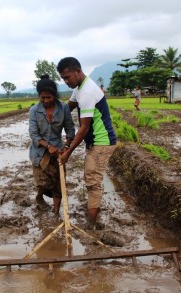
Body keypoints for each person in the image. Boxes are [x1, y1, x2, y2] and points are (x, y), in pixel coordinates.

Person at [56, 57, 117, 230]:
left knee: (92, 181)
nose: (66, 82)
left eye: (68, 77)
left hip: (101, 142)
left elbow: (83, 129)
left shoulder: (88, 92)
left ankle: (92, 224)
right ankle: (94, 212)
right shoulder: (79, 88)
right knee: (91, 178)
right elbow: (68, 109)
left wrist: (67, 152)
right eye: (63, 79)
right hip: (95, 141)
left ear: (78, 71)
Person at [29, 74, 75, 215]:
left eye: (49, 97)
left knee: (58, 184)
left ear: (55, 95)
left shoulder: (63, 108)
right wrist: (48, 146)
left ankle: (56, 213)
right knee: (43, 182)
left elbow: (70, 129)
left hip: (58, 151)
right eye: (42, 98)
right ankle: (39, 196)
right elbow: (34, 134)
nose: (46, 100)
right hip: (39, 152)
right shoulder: (34, 111)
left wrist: (66, 146)